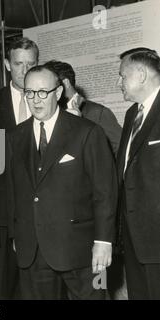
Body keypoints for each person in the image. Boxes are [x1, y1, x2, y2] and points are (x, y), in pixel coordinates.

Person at [6, 65, 117, 299]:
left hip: (85, 251)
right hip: (33, 251)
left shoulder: (88, 132)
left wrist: (104, 241)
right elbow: (13, 191)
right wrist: (17, 234)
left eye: (43, 92)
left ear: (58, 93)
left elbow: (105, 192)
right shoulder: (14, 137)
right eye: (29, 93)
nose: (36, 100)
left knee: (97, 296)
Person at [0, 37, 39, 299]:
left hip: (40, 218)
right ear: (6, 64)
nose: (25, 71)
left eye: (31, 64)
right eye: (18, 64)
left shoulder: (47, 101)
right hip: (2, 219)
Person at [116, 47, 160, 299]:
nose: (118, 81)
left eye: (122, 75)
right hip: (134, 238)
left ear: (141, 74)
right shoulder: (133, 113)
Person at [44, 60, 122, 155]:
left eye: (49, 85)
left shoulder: (98, 112)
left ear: (65, 83)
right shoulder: (49, 113)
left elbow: (120, 149)